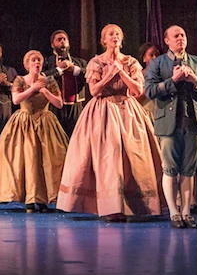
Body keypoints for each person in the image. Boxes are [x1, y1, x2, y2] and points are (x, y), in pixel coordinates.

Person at [57, 24, 162, 221]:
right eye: (111, 34)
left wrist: (121, 72)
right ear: (103, 40)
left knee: (132, 157)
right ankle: (110, 207)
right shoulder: (96, 62)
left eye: (118, 34)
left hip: (128, 111)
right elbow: (94, 91)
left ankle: (132, 205)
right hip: (102, 111)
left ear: (122, 39)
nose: (115, 37)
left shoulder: (130, 62)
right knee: (108, 158)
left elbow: (138, 90)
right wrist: (109, 74)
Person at [144, 25, 197, 228]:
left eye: (183, 35)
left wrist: (194, 80)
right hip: (169, 123)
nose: (180, 38)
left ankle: (186, 212)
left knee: (188, 169)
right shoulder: (158, 63)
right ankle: (174, 213)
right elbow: (149, 91)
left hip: (192, 122)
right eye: (176, 36)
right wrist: (173, 80)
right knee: (170, 168)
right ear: (167, 40)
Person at [0, 50, 68, 212]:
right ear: (27, 65)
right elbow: (16, 100)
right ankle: (29, 199)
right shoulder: (20, 80)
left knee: (46, 161)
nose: (37, 63)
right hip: (24, 122)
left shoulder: (49, 81)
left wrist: (44, 91)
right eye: (33, 60)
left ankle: (43, 200)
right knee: (28, 160)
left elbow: (59, 103)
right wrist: (33, 88)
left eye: (39, 60)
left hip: (45, 122)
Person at [44, 30, 88, 137]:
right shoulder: (47, 62)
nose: (62, 42)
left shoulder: (80, 62)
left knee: (76, 138)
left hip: (75, 107)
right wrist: (58, 70)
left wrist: (74, 69)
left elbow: (89, 76)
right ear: (52, 45)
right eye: (59, 40)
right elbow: (41, 78)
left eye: (65, 39)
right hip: (54, 107)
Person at [137, 43, 162, 121]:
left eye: (157, 55)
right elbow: (134, 99)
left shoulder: (165, 74)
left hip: (162, 114)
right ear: (144, 58)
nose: (155, 58)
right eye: (151, 55)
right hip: (145, 114)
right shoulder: (139, 75)